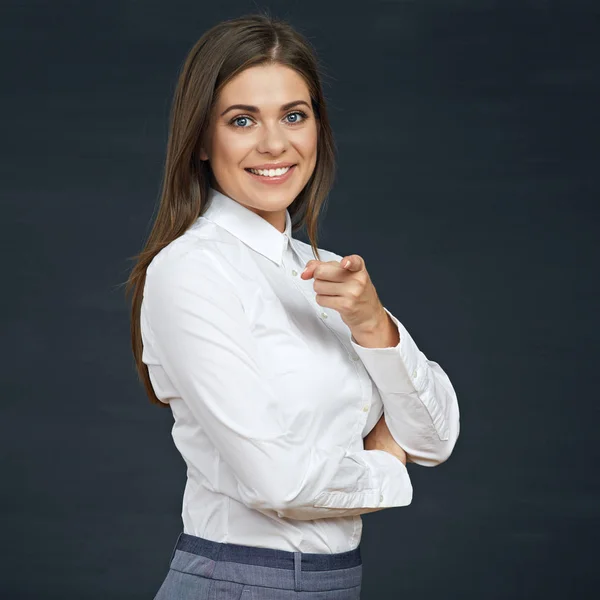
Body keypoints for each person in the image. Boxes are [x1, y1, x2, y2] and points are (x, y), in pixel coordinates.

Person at [125, 13, 460, 600]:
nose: (274, 144)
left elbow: (435, 437)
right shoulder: (191, 270)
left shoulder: (326, 271)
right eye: (242, 120)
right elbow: (280, 482)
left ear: (317, 129)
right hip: (239, 582)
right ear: (202, 139)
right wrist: (384, 460)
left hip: (333, 583)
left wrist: (374, 325)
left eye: (294, 116)